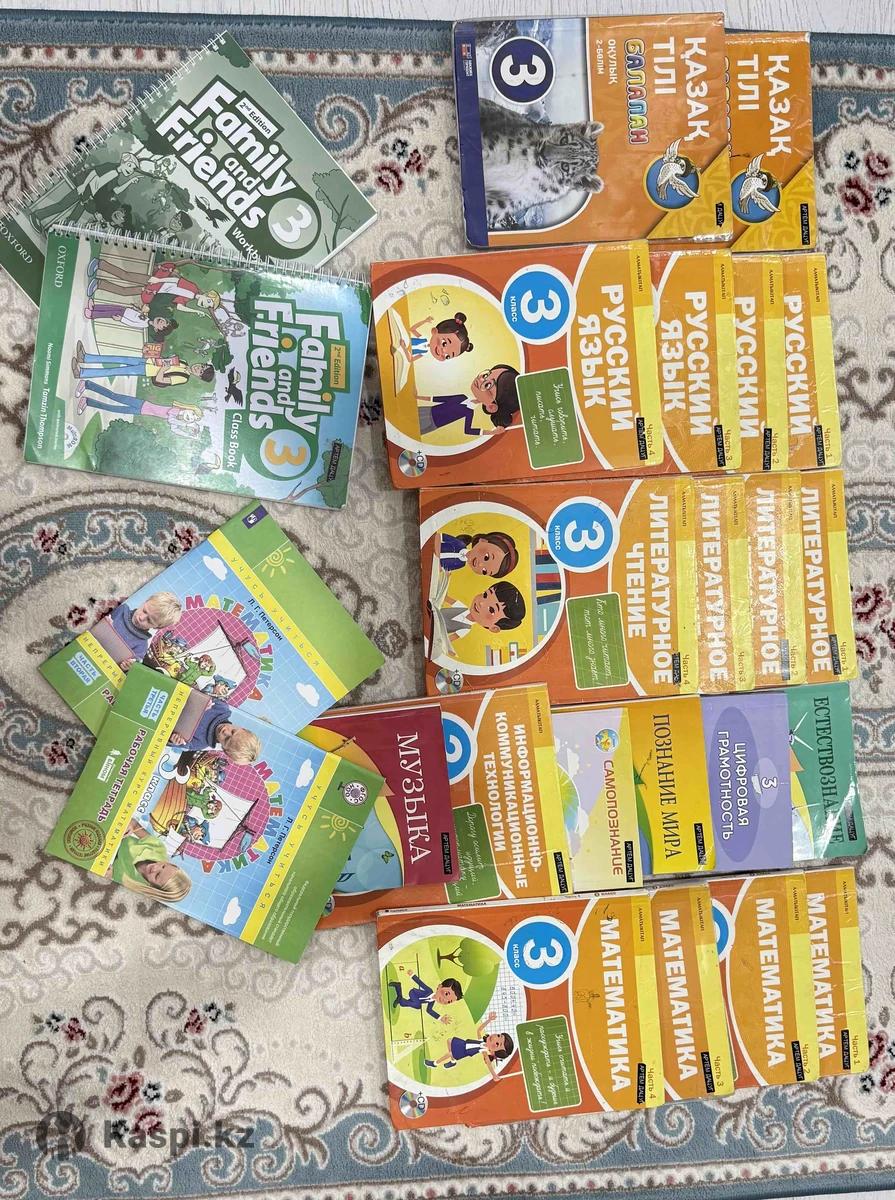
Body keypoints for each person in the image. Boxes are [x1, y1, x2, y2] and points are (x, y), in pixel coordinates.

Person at [418, 365, 519, 437]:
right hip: (425, 410)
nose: (480, 380)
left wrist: (492, 432)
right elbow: (438, 399)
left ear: (491, 407)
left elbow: (468, 430)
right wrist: (418, 397)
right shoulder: (462, 397)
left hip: (431, 423)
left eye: (487, 385)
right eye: (485, 375)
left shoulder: (469, 412)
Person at [108, 818, 191, 903]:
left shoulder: (135, 888)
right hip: (112, 836)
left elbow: (108, 890)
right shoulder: (158, 849)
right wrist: (131, 825)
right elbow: (135, 825)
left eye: (157, 875)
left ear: (154, 888)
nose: (155, 868)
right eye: (163, 866)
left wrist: (108, 878)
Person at [168, 699, 261, 766]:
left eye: (226, 739)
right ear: (242, 728)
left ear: (225, 750)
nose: (225, 731)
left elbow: (169, 740)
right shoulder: (222, 708)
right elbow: (200, 688)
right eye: (233, 731)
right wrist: (208, 696)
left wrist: (174, 740)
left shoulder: (200, 743)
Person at [425, 1012, 514, 1079]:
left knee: (450, 1054)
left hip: (463, 1052)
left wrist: (494, 1075)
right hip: (463, 1043)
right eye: (498, 1036)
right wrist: (489, 1020)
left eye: (497, 1044)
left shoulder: (484, 1050)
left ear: (494, 1052)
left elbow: (488, 1063)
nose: (494, 1038)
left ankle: (435, 1063)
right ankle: (453, 1061)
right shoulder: (482, 1041)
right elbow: (479, 1030)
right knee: (449, 1040)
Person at [108, 591, 182, 666]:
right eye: (144, 611)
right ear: (144, 602)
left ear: (158, 627)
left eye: (149, 620)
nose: (141, 617)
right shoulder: (119, 609)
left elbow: (129, 668)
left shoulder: (141, 646)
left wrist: (126, 666)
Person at [438, 582, 526, 642]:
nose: (481, 603)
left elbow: (447, 640)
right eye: (485, 595)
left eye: (491, 609)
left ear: (494, 628)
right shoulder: (462, 607)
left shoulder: (465, 629)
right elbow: (445, 597)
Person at [436, 531, 518, 578]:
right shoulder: (459, 544)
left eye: (484, 571)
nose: (480, 564)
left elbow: (443, 569)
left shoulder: (461, 564)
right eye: (486, 557)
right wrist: (436, 557)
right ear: (482, 540)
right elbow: (438, 537)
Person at [388, 974, 463, 1023]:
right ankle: (400, 998)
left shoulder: (432, 1002)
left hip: (416, 1000)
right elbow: (421, 983)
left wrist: (440, 1018)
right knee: (417, 1005)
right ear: (440, 986)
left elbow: (429, 1010)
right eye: (446, 994)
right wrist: (412, 975)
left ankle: (398, 987)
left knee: (403, 1003)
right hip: (414, 993)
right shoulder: (429, 991)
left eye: (449, 1002)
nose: (445, 1000)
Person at [404, 312, 473, 363]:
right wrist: (425, 321)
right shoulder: (423, 339)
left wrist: (404, 348)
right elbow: (412, 329)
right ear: (434, 331)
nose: (443, 351)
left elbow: (410, 359)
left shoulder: (424, 352)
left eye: (447, 356)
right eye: (444, 343)